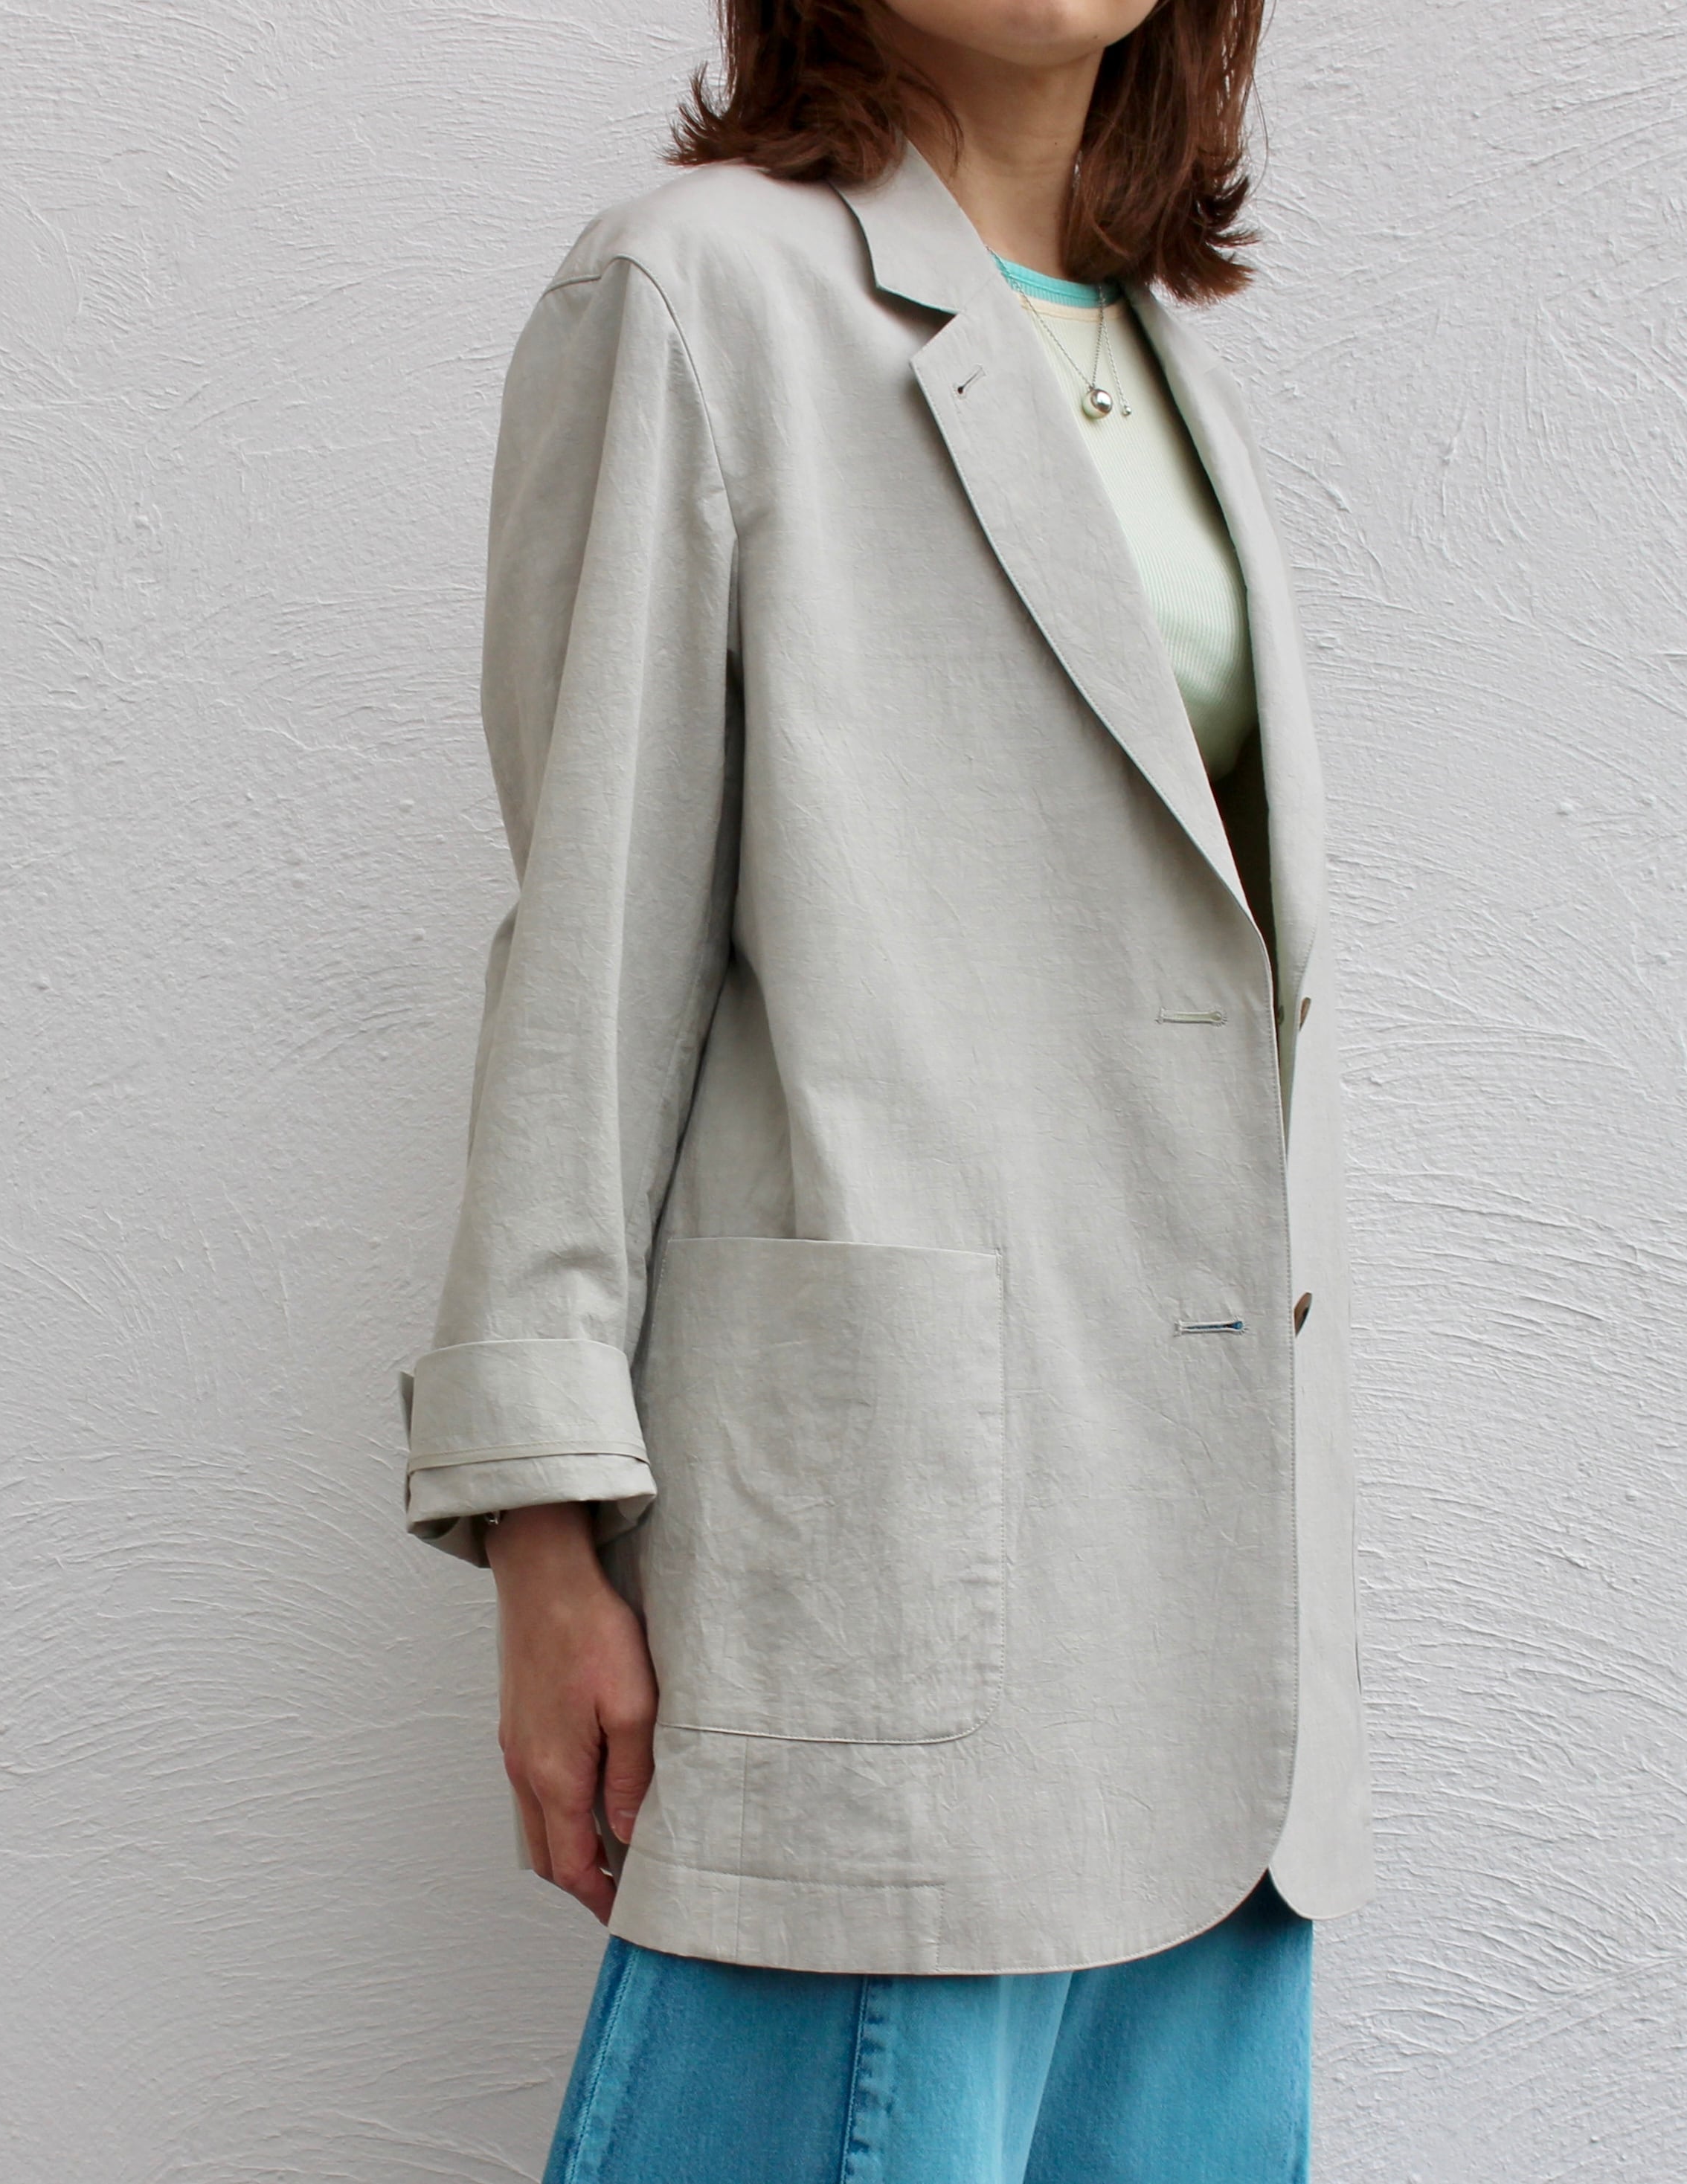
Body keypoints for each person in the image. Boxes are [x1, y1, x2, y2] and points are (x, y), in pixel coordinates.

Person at [393, 0, 1371, 2171]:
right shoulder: (695, 290)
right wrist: (543, 1519)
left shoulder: (1158, 362)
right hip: (905, 1584)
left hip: (1217, 1636)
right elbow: (594, 952)